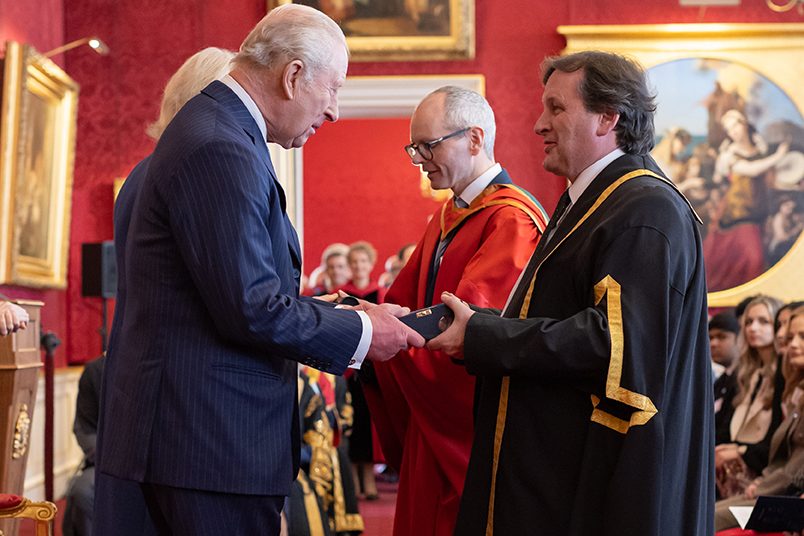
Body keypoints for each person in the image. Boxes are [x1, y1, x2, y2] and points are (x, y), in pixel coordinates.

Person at [97, 6, 423, 534]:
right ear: (293, 76)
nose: (335, 110)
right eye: (333, 88)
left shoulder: (221, 132)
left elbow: (223, 291)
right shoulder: (221, 144)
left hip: (195, 440)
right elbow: (250, 307)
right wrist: (364, 331)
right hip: (208, 448)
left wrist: (336, 312)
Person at [429, 50, 713, 535]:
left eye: (556, 108)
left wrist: (485, 338)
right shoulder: (597, 201)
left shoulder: (644, 210)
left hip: (604, 490)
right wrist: (484, 324)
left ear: (609, 117)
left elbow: (614, 347)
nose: (539, 124)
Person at [362, 85, 546, 536]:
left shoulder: (511, 219)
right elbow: (400, 303)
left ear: (475, 139)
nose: (420, 159)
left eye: (428, 145)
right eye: (414, 148)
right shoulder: (448, 216)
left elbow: (467, 329)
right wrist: (359, 316)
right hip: (433, 418)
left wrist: (376, 334)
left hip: (468, 425)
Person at [93, 47, 235, 536]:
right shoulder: (202, 167)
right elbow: (231, 298)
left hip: (143, 401)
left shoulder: (141, 174)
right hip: (188, 418)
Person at [714, 305, 804, 531]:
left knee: (709, 521)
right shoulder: (791, 386)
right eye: (790, 335)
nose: (790, 342)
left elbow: (794, 470)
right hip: (773, 489)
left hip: (783, 496)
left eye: (801, 337)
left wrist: (762, 484)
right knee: (704, 513)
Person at [715, 296, 784, 499]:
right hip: (730, 469)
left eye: (764, 321)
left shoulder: (784, 375)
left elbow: (779, 441)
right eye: (748, 322)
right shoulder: (745, 373)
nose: (753, 328)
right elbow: (726, 426)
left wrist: (741, 451)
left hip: (762, 473)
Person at [710, 311, 741, 446]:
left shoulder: (742, 381)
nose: (713, 343)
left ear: (739, 339)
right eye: (710, 337)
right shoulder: (720, 381)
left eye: (721, 337)